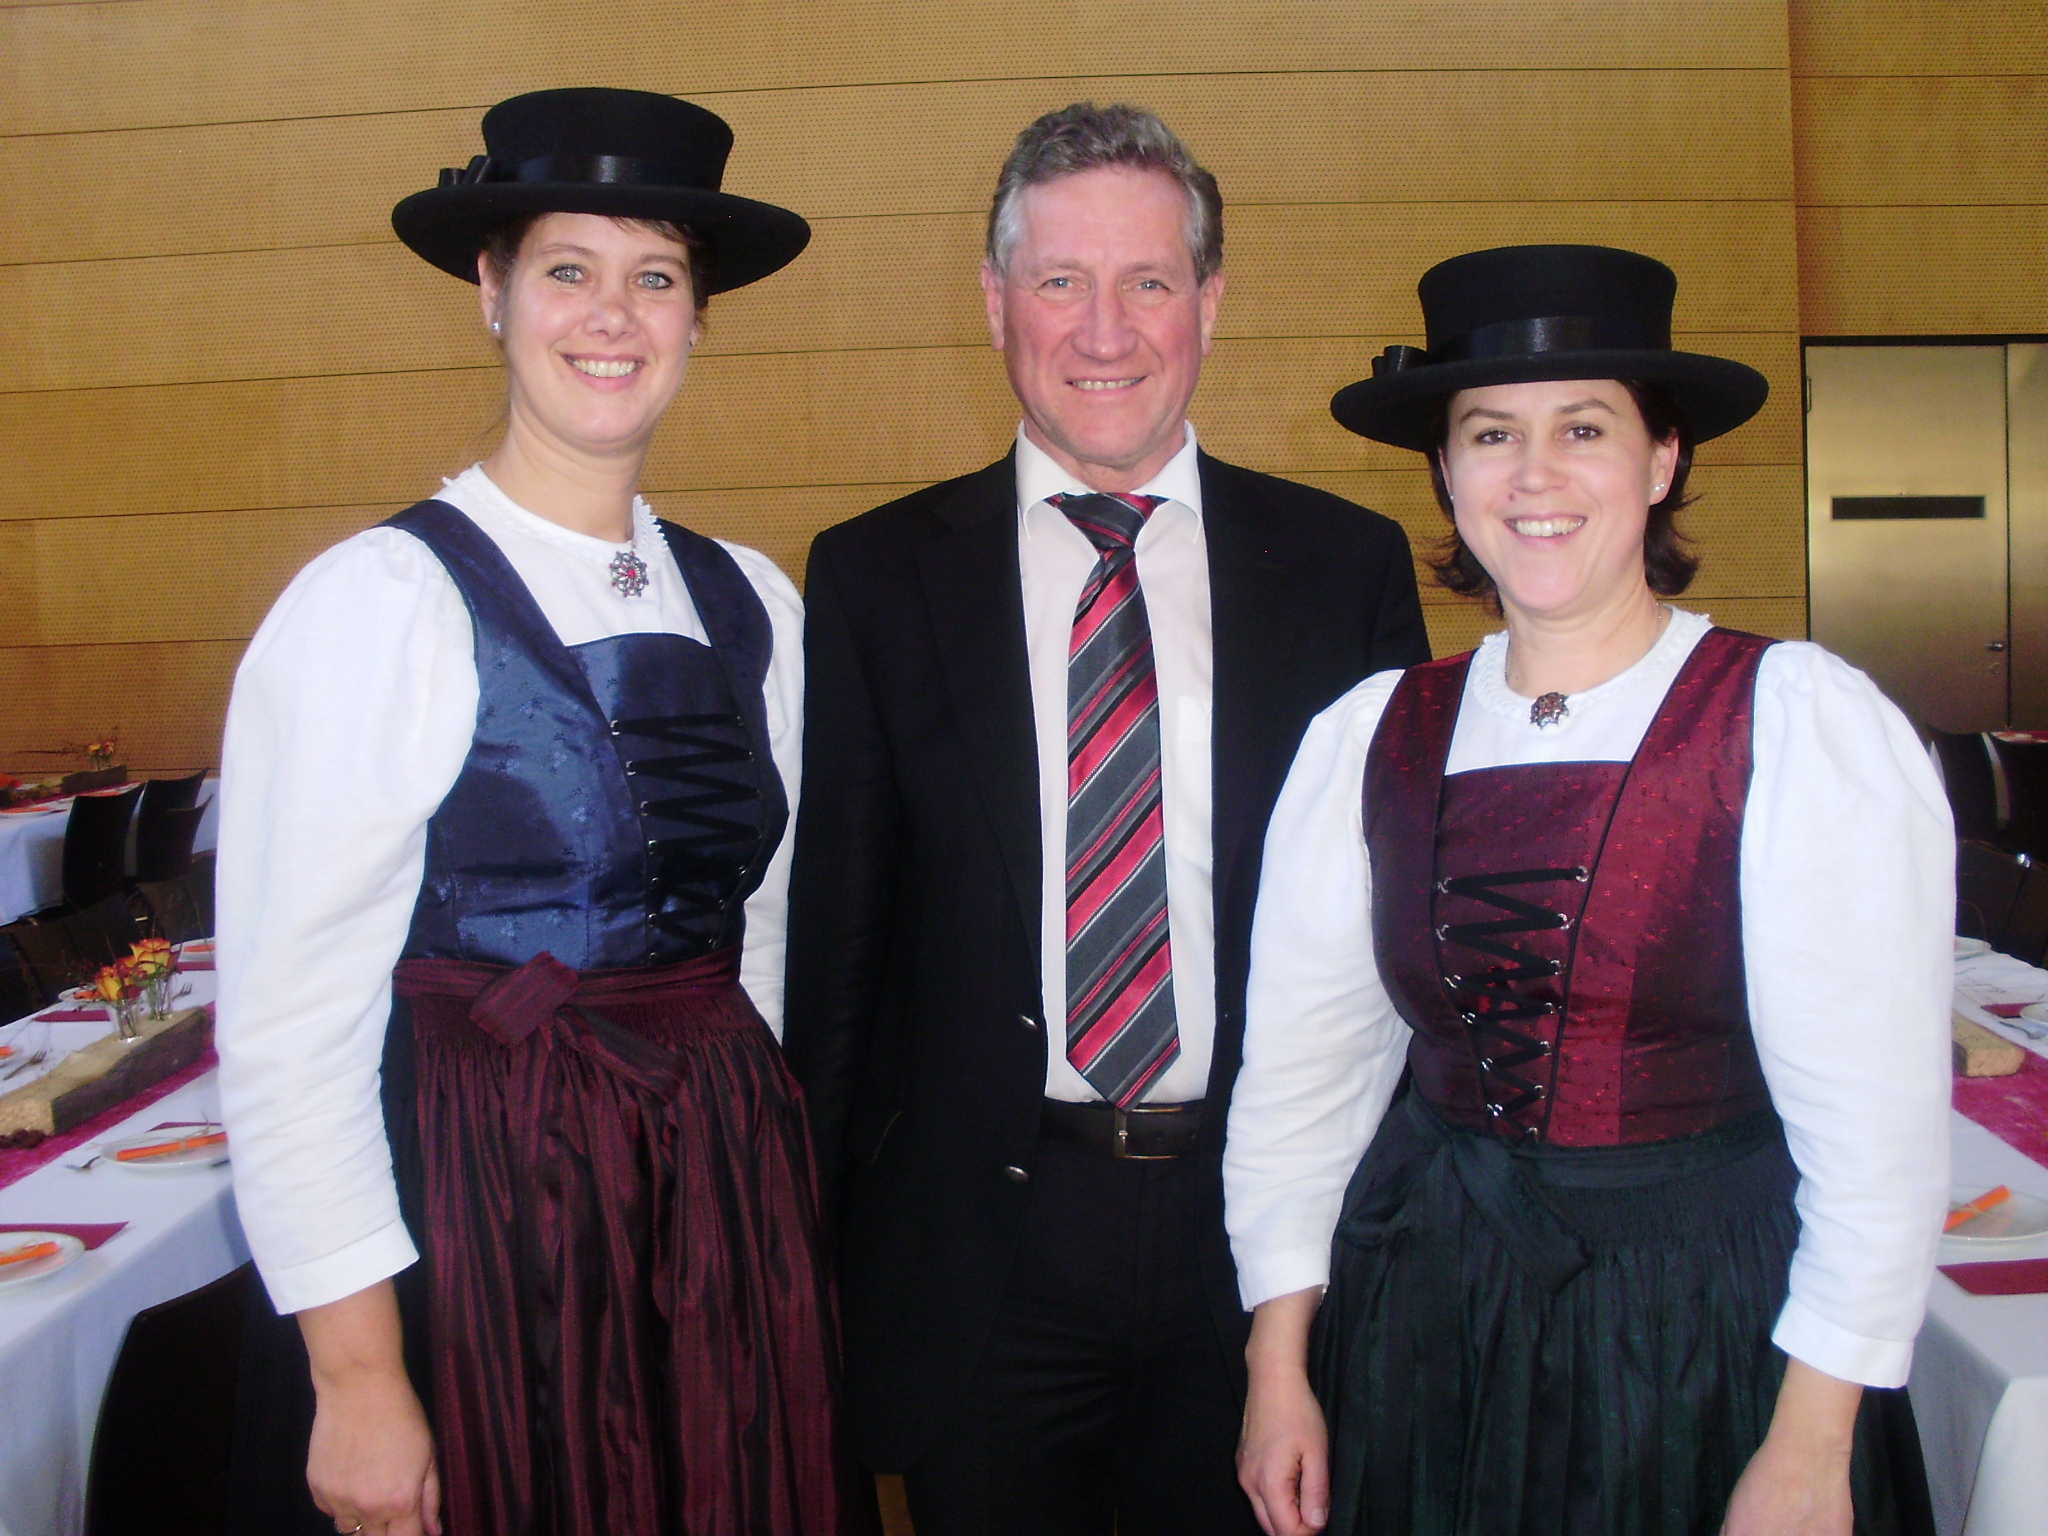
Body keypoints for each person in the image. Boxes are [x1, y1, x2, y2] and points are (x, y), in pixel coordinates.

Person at [215, 88, 869, 1536]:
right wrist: (358, 1376)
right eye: (569, 269)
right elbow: (289, 1026)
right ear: (492, 293)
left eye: (657, 277)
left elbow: (757, 941)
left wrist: (756, 1200)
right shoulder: (381, 603)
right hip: (490, 1199)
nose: (612, 316)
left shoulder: (753, 600)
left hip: (717, 1189)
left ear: (698, 318)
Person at [1226, 244, 1950, 1536]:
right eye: (1490, 434)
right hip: (1427, 1318)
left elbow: (1876, 1139)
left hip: (1707, 1335)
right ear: (1447, 473)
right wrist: (1278, 1363)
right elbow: (1303, 1084)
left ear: (1661, 460)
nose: (1534, 475)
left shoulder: (1792, 722)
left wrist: (1811, 1440)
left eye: (1583, 428)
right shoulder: (1371, 734)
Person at [782, 102, 1430, 1536]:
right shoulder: (878, 577)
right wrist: (801, 1261)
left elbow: (1391, 953)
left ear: (1210, 301)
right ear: (995, 300)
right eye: (1061, 280)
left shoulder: (1345, 571)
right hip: (982, 1254)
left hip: (1263, 1242)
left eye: (1148, 281)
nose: (1104, 331)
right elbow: (841, 953)